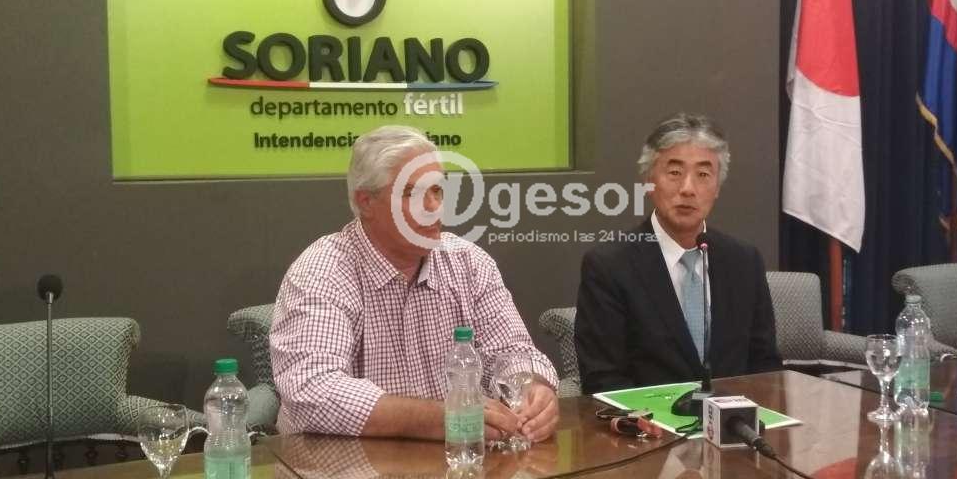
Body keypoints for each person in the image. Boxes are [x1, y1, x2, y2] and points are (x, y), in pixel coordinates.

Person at [270, 125, 559, 442]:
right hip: (342, 465)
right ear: (366, 202)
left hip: (460, 462)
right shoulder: (324, 271)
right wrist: (435, 418)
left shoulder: (469, 263)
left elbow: (511, 352)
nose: (434, 208)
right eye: (412, 194)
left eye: (437, 191)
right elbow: (312, 390)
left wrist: (531, 387)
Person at [575, 113, 781, 393]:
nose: (688, 189)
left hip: (732, 417)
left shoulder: (744, 261)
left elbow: (766, 368)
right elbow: (603, 379)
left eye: (703, 175)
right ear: (649, 181)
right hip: (648, 420)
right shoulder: (609, 266)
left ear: (717, 187)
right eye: (674, 173)